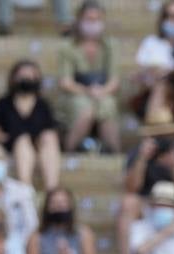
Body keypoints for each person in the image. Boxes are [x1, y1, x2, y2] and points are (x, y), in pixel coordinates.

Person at [119, 112, 174, 254]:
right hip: (148, 203)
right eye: (157, 135)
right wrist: (142, 159)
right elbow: (131, 188)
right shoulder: (138, 152)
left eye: (165, 135)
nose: (161, 139)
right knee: (128, 202)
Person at [0, 60, 63, 191]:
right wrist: (7, 138)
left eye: (30, 75)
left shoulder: (43, 105)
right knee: (22, 142)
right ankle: (25, 189)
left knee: (49, 138)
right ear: (13, 78)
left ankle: (52, 189)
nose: (26, 79)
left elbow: (50, 130)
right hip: (11, 146)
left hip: (40, 149)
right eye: (22, 75)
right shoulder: (4, 103)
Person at [57, 1, 121, 154]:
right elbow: (65, 82)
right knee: (85, 109)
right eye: (89, 19)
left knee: (108, 105)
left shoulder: (110, 46)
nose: (93, 23)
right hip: (77, 93)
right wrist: (87, 91)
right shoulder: (68, 47)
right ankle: (69, 151)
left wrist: (101, 91)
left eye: (96, 19)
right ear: (79, 20)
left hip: (102, 92)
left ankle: (114, 154)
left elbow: (114, 80)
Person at [133, 0, 174, 125]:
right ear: (162, 19)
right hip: (151, 90)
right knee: (160, 87)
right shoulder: (151, 43)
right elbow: (140, 74)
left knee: (162, 86)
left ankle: (151, 135)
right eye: (170, 15)